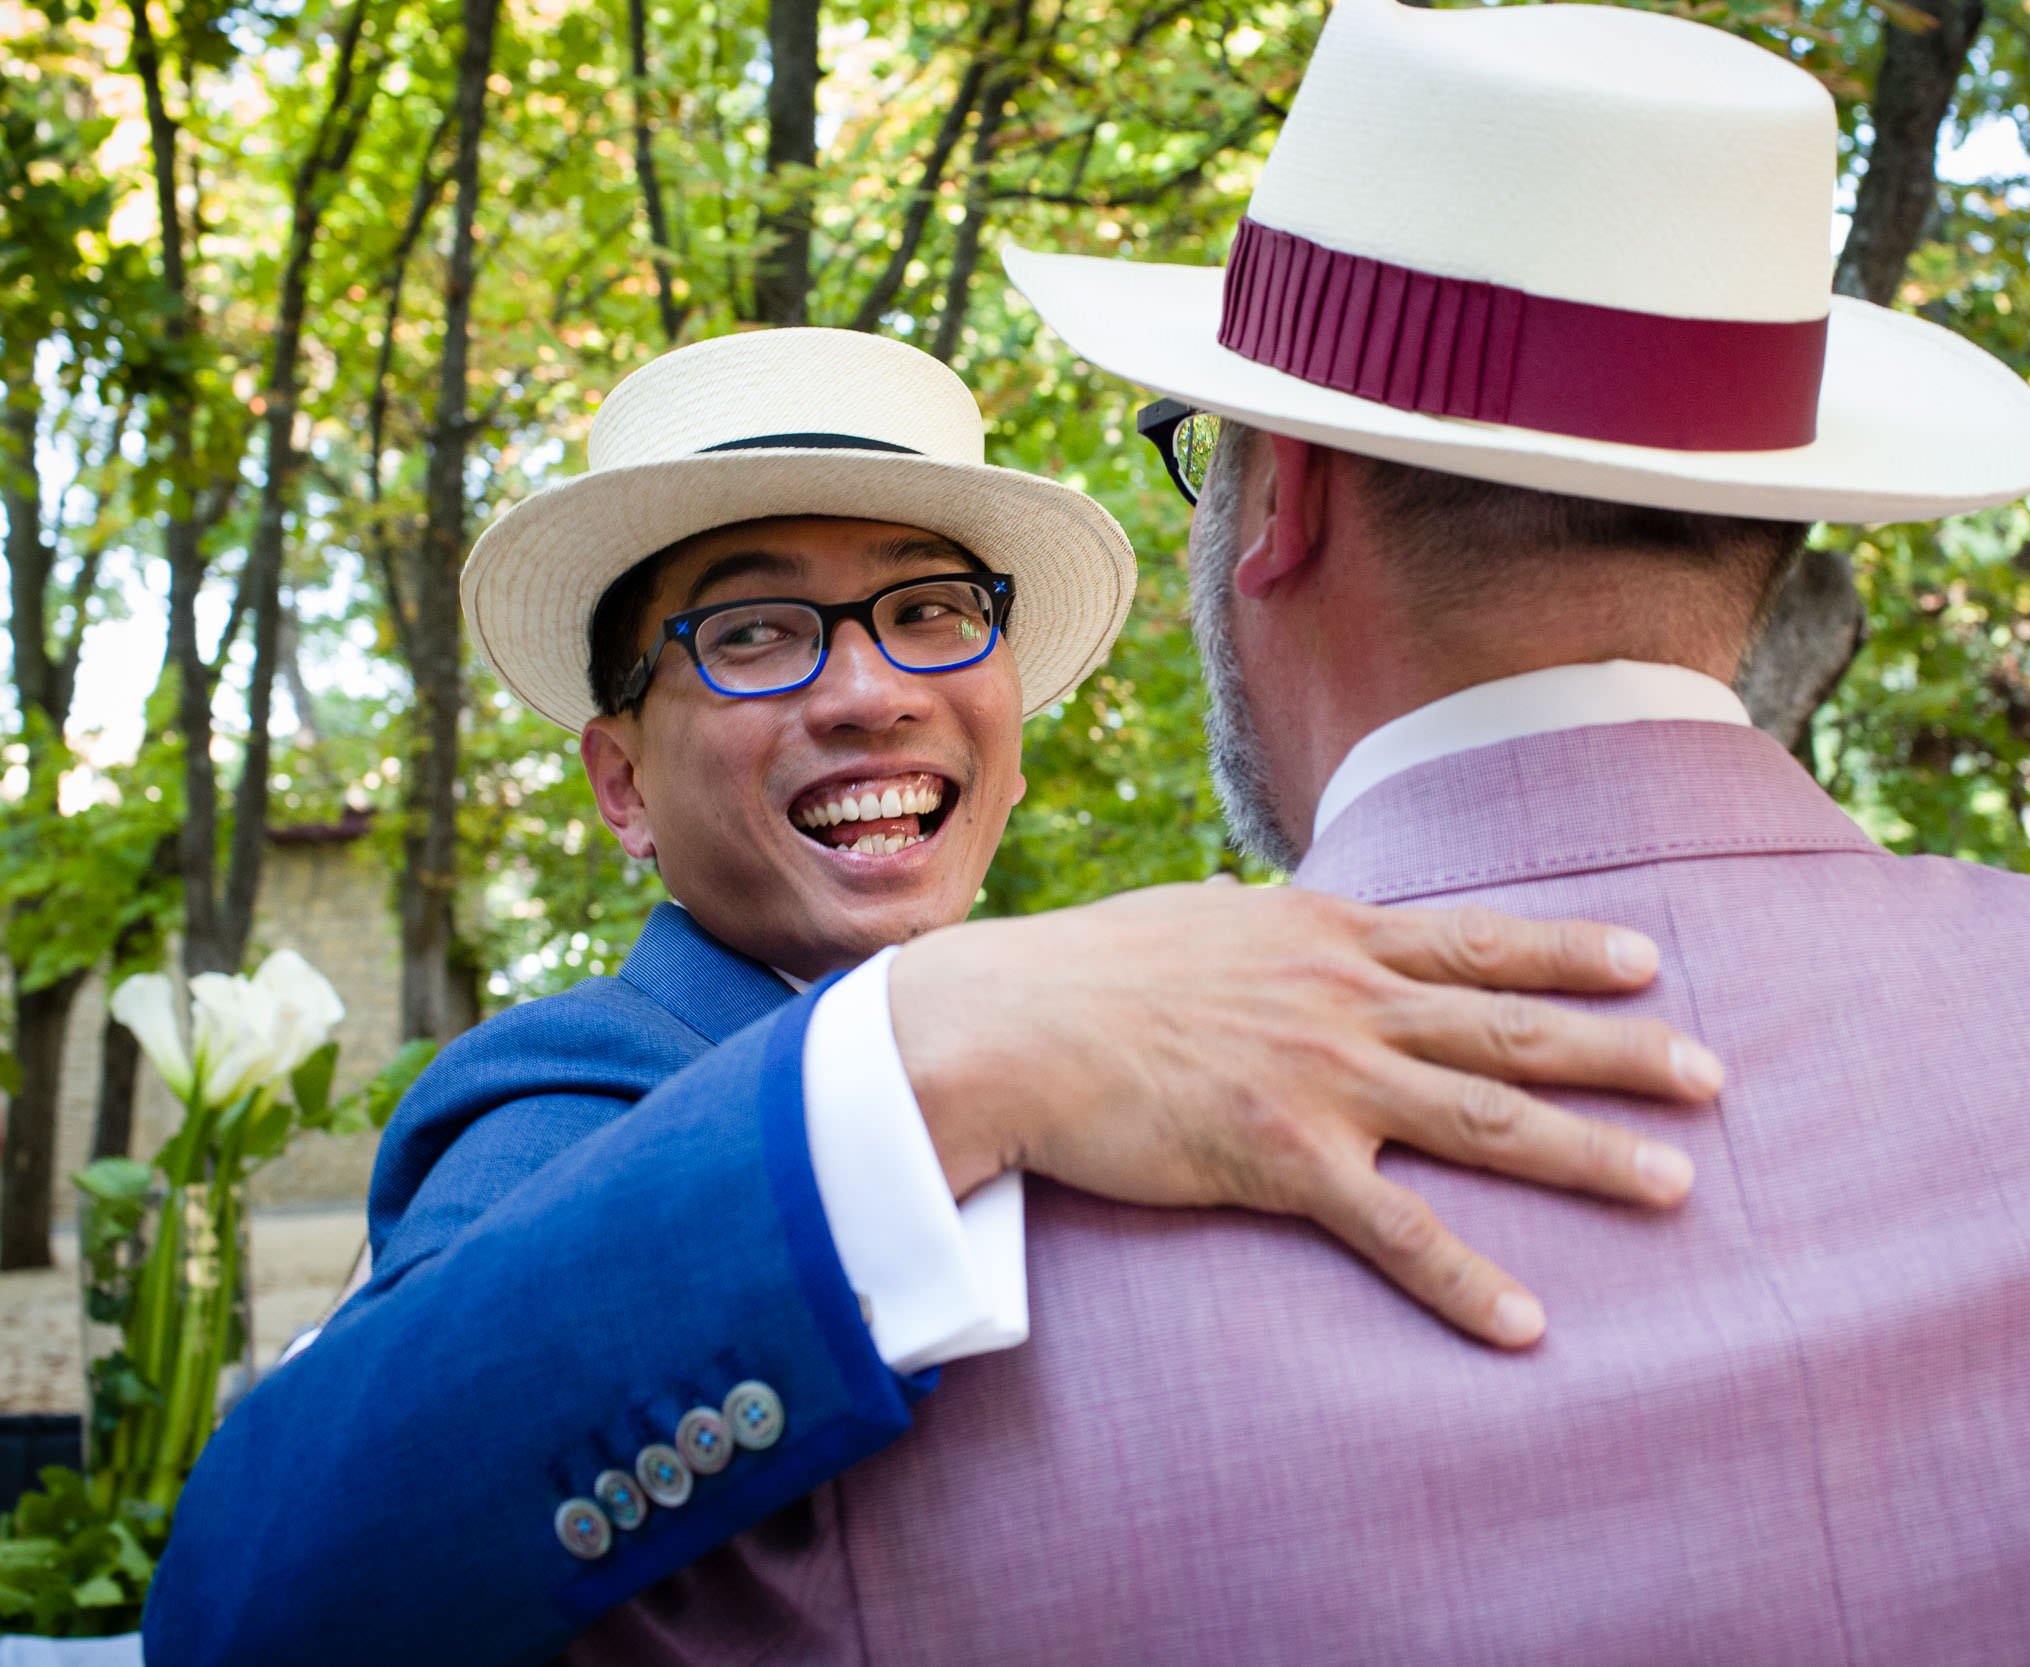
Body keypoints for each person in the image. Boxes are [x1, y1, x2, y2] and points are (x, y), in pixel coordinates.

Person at [564, 3, 2030, 1662]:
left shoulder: (901, 1305)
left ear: (1278, 503)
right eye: (752, 633)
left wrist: (906, 1072)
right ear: (1759, 522)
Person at [142, 328, 1739, 1664]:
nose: (869, 690)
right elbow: (255, 1604)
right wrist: (928, 1058)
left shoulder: (1167, 1029)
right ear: (622, 784)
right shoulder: (567, 1088)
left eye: (928, 612)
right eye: (756, 632)